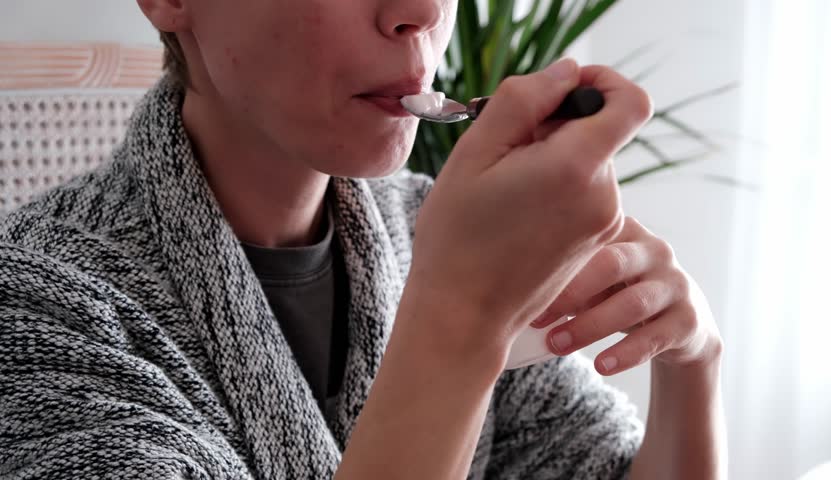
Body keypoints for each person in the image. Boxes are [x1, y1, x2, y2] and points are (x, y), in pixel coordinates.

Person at [0, 0, 726, 478]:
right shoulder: (30, 308)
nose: (423, 11)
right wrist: (460, 315)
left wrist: (692, 367)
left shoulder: (429, 233)